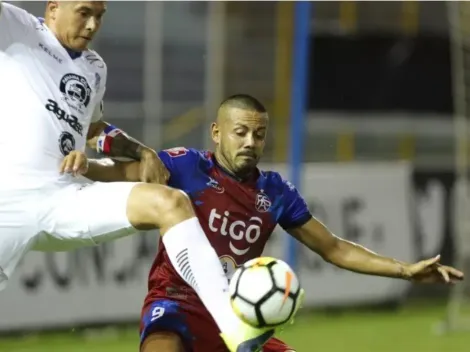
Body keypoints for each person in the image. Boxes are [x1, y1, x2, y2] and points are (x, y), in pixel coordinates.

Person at [84, 94, 464, 352]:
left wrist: (405, 271)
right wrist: (83, 167)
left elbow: (332, 247)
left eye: (259, 134)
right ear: (217, 133)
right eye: (240, 132)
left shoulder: (275, 192)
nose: (250, 141)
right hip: (176, 305)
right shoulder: (185, 165)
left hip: (240, 313)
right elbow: (124, 171)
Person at [0, 3, 271, 351]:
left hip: (63, 196)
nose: (93, 24)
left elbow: (94, 131)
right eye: (84, 12)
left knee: (170, 202)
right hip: (8, 199)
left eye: (100, 15)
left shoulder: (95, 68)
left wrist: (143, 152)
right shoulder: (18, 29)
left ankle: (235, 328)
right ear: (54, 6)